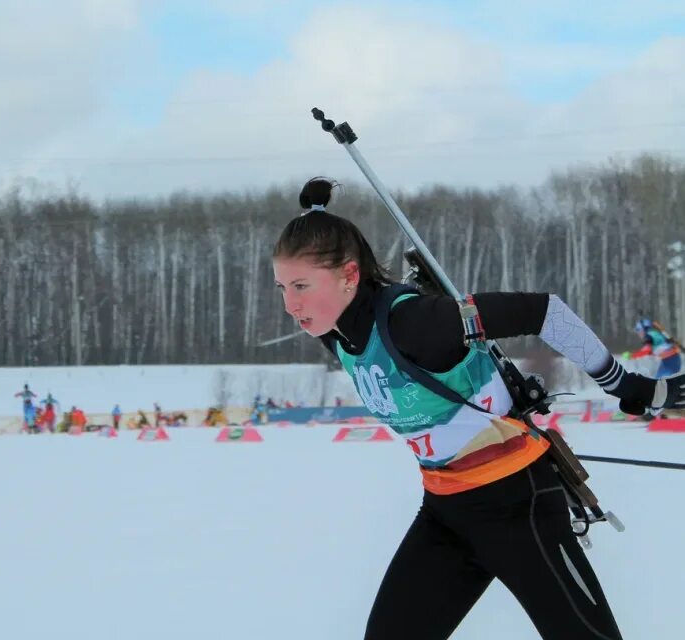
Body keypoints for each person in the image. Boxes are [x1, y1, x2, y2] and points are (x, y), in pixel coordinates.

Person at [272, 177, 685, 640]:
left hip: (519, 507)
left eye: (302, 285)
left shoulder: (416, 323)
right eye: (283, 287)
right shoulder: (340, 334)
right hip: (447, 512)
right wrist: (314, 213)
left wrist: (625, 383)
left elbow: (544, 312)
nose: (290, 304)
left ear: (349, 275)